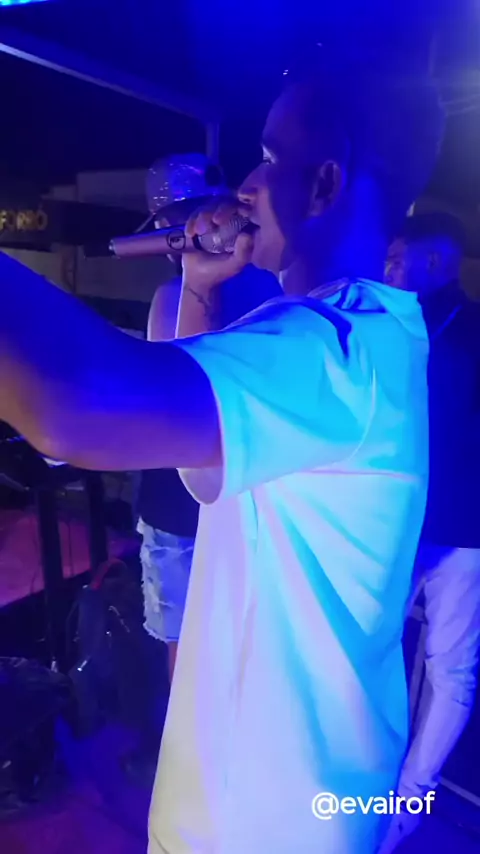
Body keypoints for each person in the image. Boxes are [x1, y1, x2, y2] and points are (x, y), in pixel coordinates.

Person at [0, 50, 444, 853]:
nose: (245, 185)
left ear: (325, 184)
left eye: (270, 159)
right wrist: (199, 291)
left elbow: (77, 407)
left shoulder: (329, 347)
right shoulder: (366, 335)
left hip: (271, 814)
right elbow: (204, 472)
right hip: (288, 785)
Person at [137, 155, 280, 686]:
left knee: (187, 645)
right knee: (235, 642)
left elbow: (169, 401)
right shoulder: (271, 286)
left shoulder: (177, 294)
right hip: (246, 495)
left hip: (185, 501)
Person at [381, 212, 480, 852]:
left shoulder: (467, 327)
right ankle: (378, 782)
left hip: (460, 528)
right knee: (375, 645)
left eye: (398, 259)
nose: (388, 270)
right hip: (405, 520)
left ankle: (405, 806)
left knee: (450, 669)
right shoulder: (396, 323)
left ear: (436, 261)